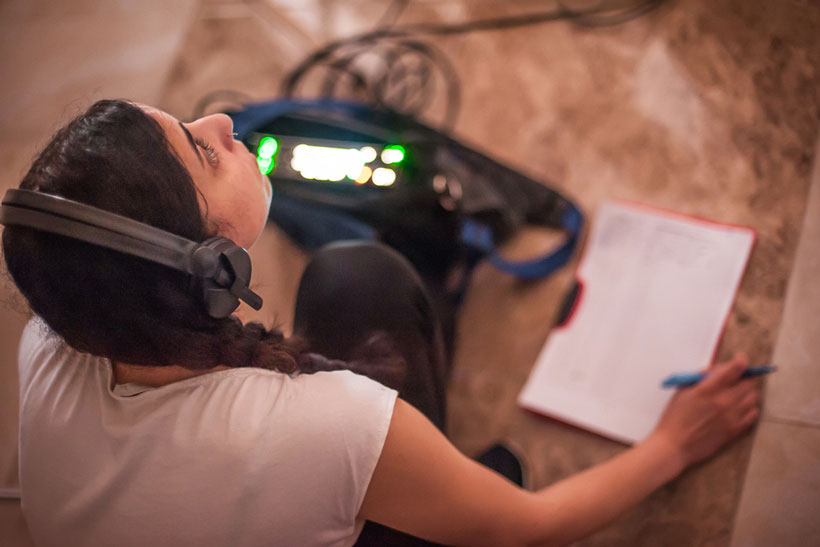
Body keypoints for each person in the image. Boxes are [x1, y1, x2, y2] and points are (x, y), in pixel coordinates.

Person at [2, 99, 762, 547]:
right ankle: (439, 483)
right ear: (215, 269)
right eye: (203, 150)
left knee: (348, 274)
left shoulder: (56, 335)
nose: (225, 119)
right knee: (363, 277)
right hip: (341, 465)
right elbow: (527, 527)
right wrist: (672, 443)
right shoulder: (319, 428)